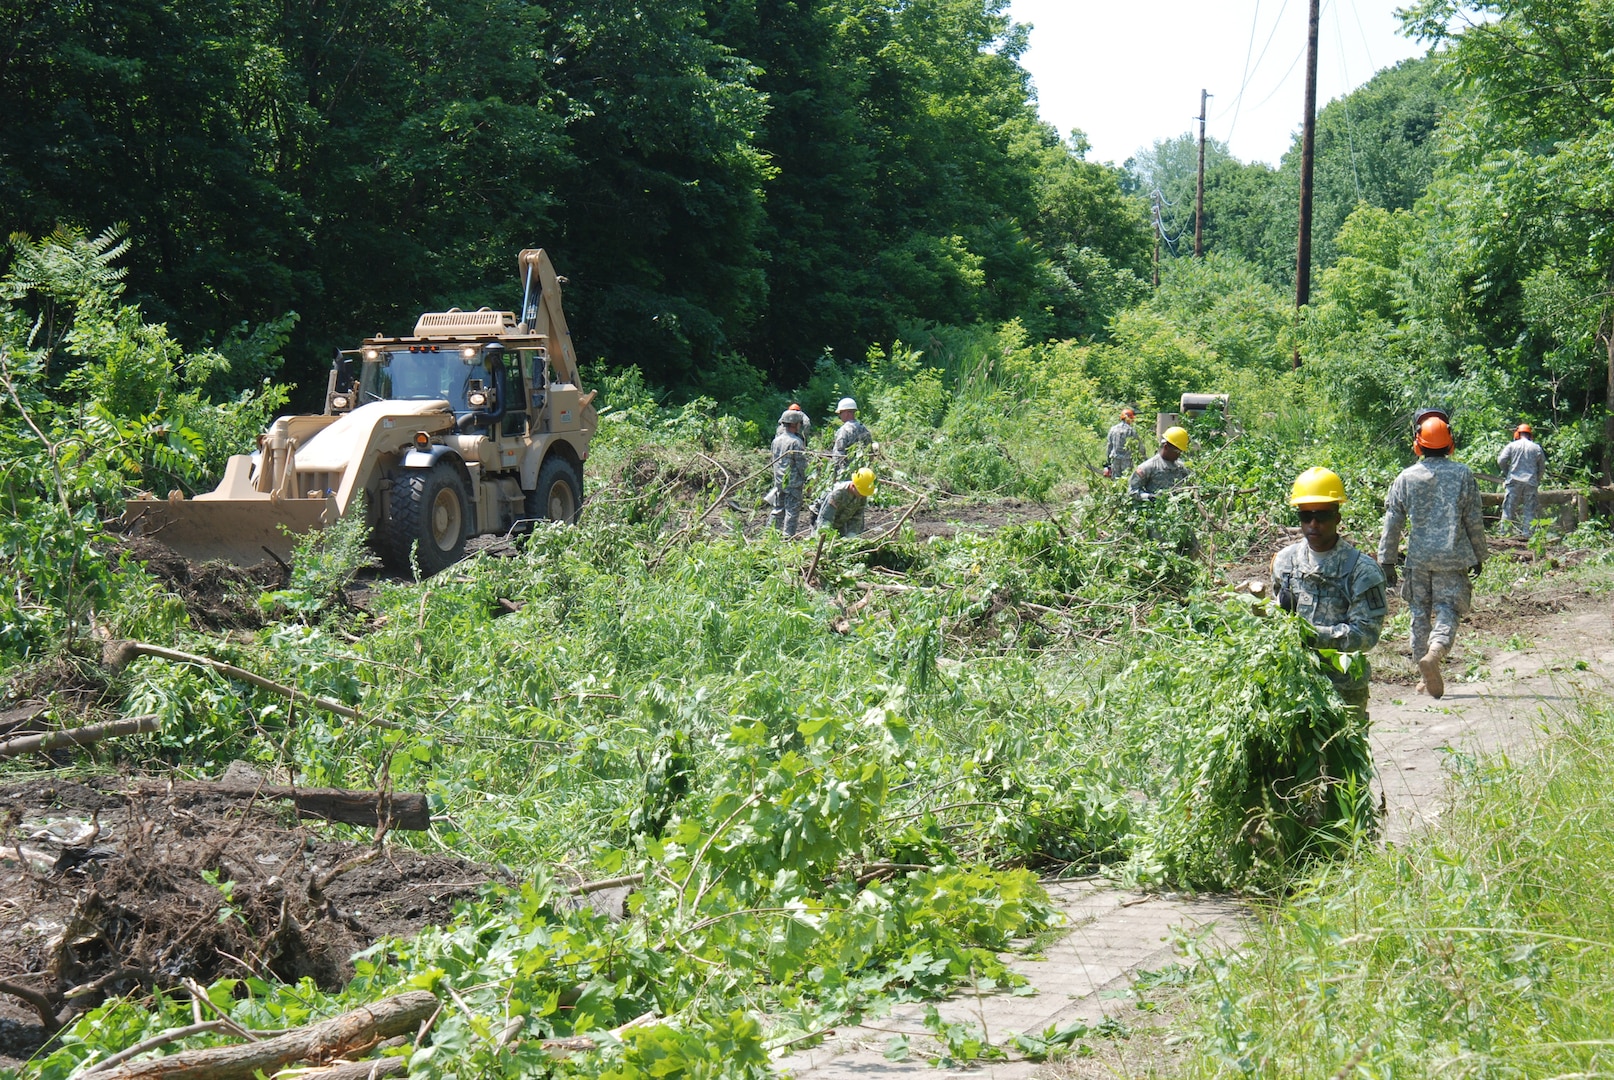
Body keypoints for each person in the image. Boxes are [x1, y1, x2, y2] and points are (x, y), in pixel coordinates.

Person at [1378, 415, 1488, 699]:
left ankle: (1423, 676)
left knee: (1418, 613)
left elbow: (1393, 521)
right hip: (1453, 558)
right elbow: (1473, 518)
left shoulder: (1405, 477)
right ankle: (1436, 652)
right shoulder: (1463, 474)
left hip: (1418, 560)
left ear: (1418, 444)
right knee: (1449, 610)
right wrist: (1479, 554)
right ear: (1450, 444)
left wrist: (1387, 560)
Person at [1271, 467, 1388, 723]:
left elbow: (1366, 636)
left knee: (1341, 761)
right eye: (1306, 516)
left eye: (1322, 515)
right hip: (1293, 684)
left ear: (1337, 517)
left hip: (1343, 689)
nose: (1313, 524)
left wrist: (1311, 635)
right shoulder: (1285, 562)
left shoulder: (1361, 571)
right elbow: (1277, 612)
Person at [1496, 423, 1546, 537]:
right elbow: (1542, 468)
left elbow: (1501, 460)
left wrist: (1507, 472)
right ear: (1530, 435)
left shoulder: (1512, 446)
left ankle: (1504, 534)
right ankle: (1527, 534)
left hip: (1513, 481)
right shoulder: (1536, 448)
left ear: (1518, 434)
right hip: (1530, 482)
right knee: (1529, 509)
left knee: (1509, 508)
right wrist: (1537, 480)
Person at [770, 409, 809, 536]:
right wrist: (807, 479)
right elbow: (801, 465)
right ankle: (787, 537)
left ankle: (769, 534)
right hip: (793, 484)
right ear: (795, 424)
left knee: (777, 509)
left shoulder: (776, 441)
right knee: (792, 512)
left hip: (779, 481)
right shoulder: (796, 442)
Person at [1128, 426, 1190, 500]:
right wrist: (1149, 497)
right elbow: (1132, 491)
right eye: (1176, 451)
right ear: (1166, 447)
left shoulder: (1181, 467)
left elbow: (1191, 486)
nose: (1179, 454)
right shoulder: (1148, 467)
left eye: (1181, 451)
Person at [817, 467, 876, 537]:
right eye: (860, 492)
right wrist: (825, 533)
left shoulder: (862, 496)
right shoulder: (838, 493)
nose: (862, 495)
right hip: (821, 516)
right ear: (853, 486)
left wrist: (852, 534)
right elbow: (825, 517)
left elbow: (857, 517)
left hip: (841, 520)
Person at [829, 397, 873, 477]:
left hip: (847, 475)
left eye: (841, 413)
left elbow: (838, 456)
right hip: (863, 475)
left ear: (847, 413)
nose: (840, 415)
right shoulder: (864, 429)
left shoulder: (843, 431)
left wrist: (835, 475)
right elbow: (870, 453)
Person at [1103, 407, 1143, 479]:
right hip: (1127, 459)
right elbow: (1139, 446)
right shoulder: (1131, 431)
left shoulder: (1113, 429)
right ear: (1130, 418)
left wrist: (1108, 461)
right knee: (1126, 479)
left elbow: (1109, 445)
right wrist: (1144, 458)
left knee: (1115, 479)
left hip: (1115, 458)